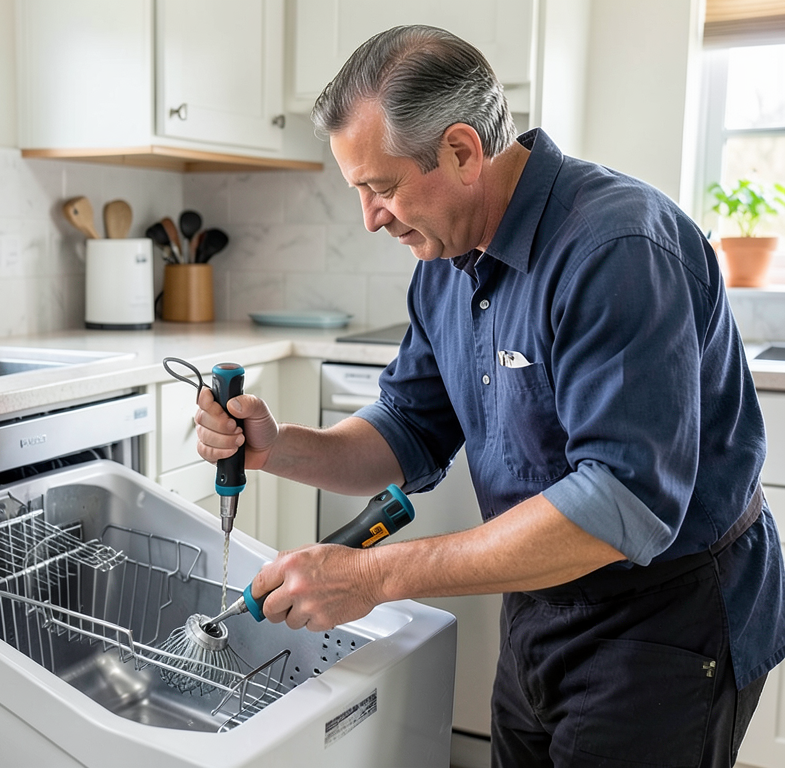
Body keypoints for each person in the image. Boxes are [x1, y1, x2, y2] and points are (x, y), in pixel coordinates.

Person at [195, 24, 785, 767]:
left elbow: (621, 509)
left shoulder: (616, 248)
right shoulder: (444, 263)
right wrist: (276, 448)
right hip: (540, 603)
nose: (370, 218)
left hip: (665, 620)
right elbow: (407, 430)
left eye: (380, 187)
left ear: (463, 152)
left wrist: (371, 577)